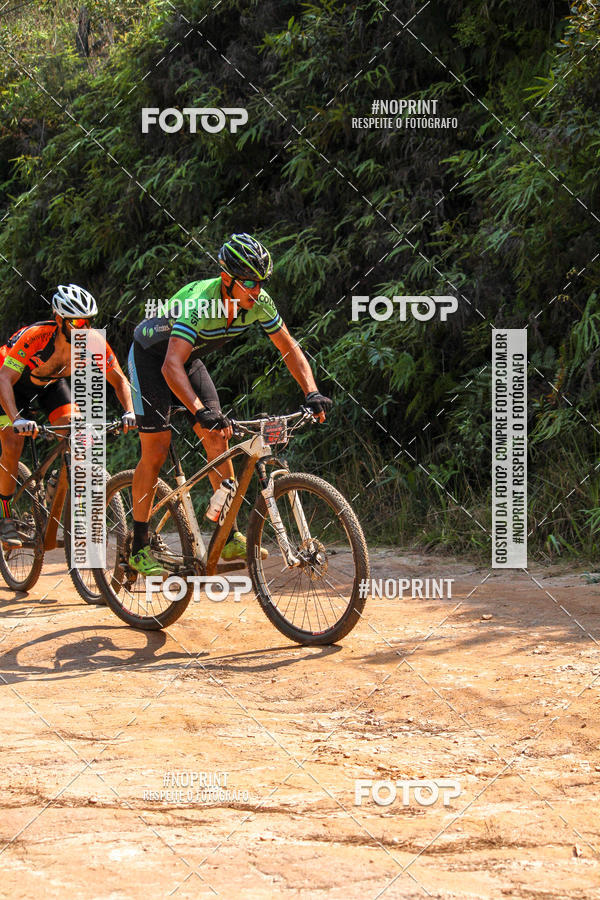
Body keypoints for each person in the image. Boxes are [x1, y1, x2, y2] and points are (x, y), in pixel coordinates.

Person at [128, 232, 332, 575]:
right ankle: (138, 544)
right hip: (152, 358)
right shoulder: (200, 304)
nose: (256, 290)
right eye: (249, 282)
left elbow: (288, 347)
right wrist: (198, 411)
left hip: (186, 358)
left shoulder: (259, 302)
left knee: (218, 436)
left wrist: (311, 392)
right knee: (156, 449)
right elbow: (169, 366)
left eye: (261, 282)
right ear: (227, 279)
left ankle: (230, 534)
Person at [0, 284, 136, 548]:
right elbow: (5, 378)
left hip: (49, 385)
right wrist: (16, 419)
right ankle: (4, 514)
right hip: (10, 385)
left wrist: (129, 411)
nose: (84, 327)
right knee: (13, 444)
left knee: (76, 430)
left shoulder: (93, 342)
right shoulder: (36, 337)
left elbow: (119, 380)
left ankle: (56, 480)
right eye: (78, 322)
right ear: (59, 319)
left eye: (89, 321)